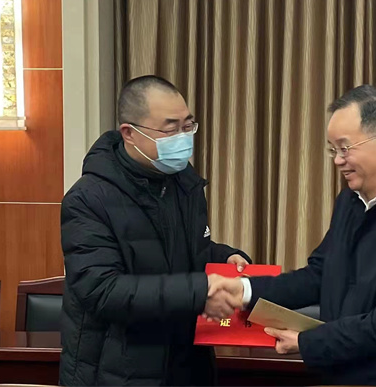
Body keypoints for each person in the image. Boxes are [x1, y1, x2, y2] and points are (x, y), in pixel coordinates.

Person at [213, 85, 376, 386]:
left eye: (345, 148)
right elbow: (320, 276)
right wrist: (244, 290)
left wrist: (306, 342)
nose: (337, 161)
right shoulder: (350, 202)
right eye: (333, 150)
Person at [59, 75, 251, 386]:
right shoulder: (88, 199)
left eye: (188, 126)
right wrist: (199, 291)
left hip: (187, 365)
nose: (183, 138)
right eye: (171, 129)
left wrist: (224, 257)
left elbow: (182, 252)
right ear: (129, 133)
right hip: (117, 372)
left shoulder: (183, 182)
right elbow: (103, 291)